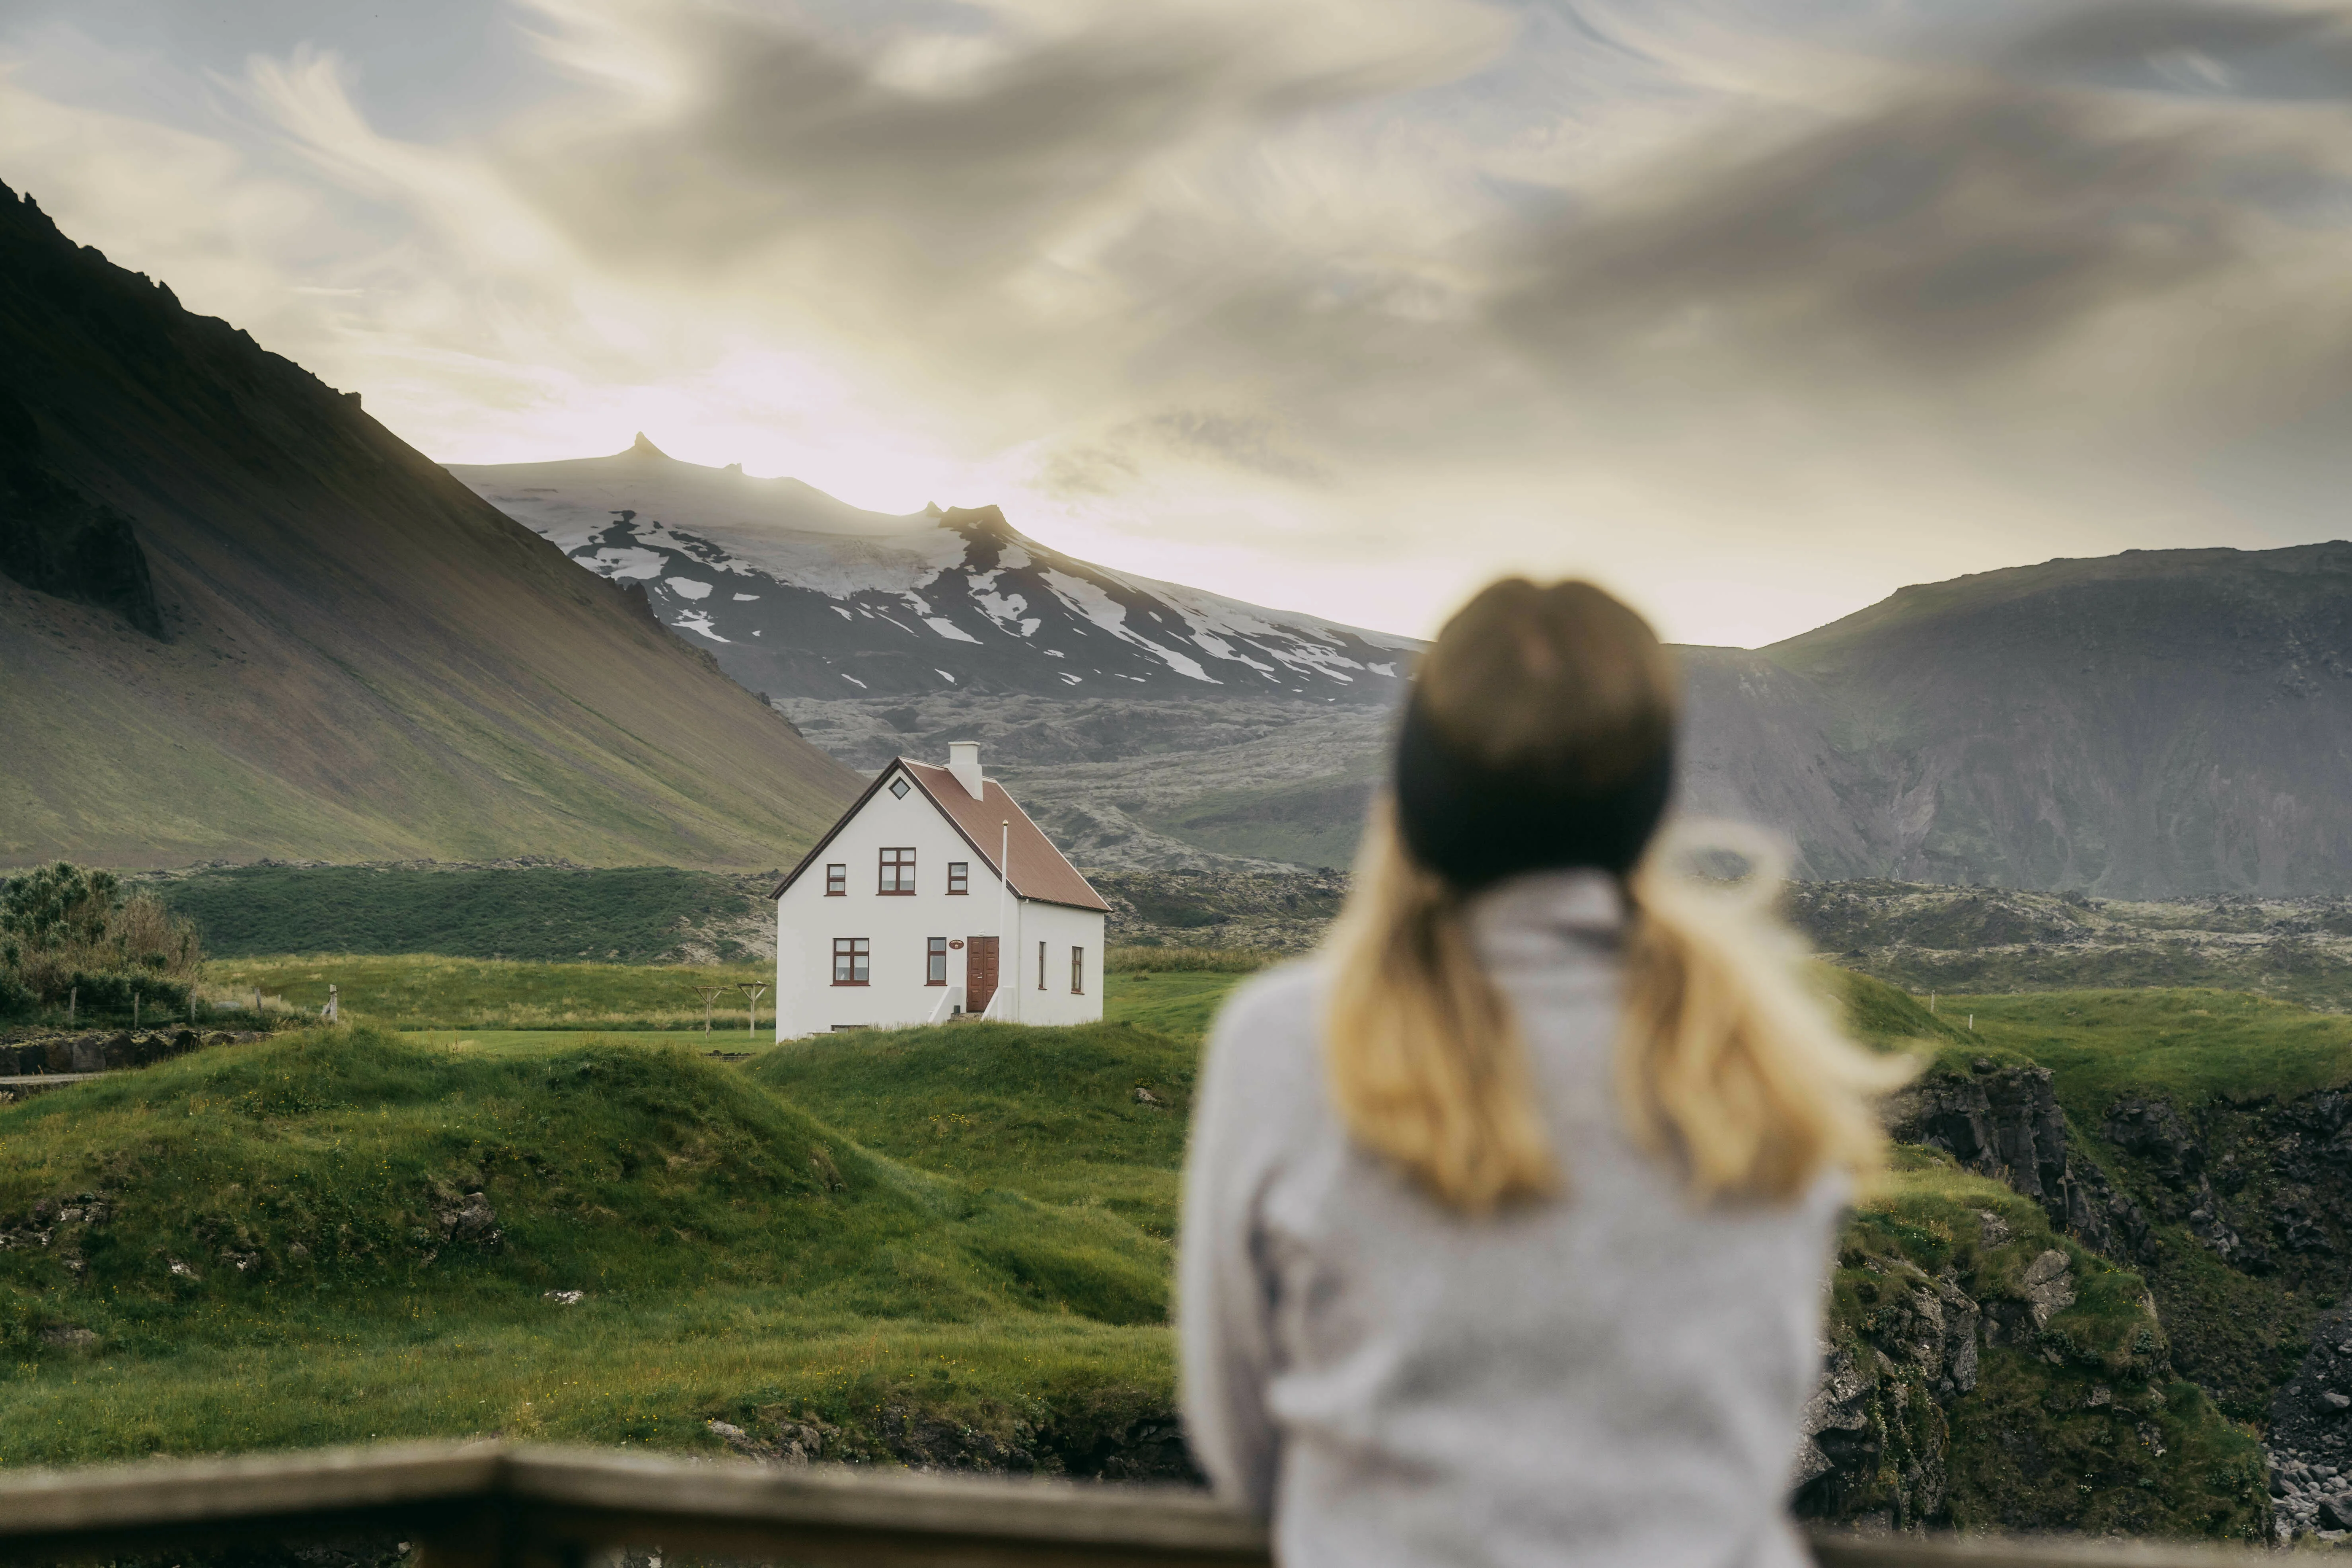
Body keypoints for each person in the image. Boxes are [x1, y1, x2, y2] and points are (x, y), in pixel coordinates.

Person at [1178, 577, 1906, 1567]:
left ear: (1420, 788)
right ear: (1649, 799)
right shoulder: (1760, 1060)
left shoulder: (1291, 1044)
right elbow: (1753, 1439)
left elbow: (1239, 1448)